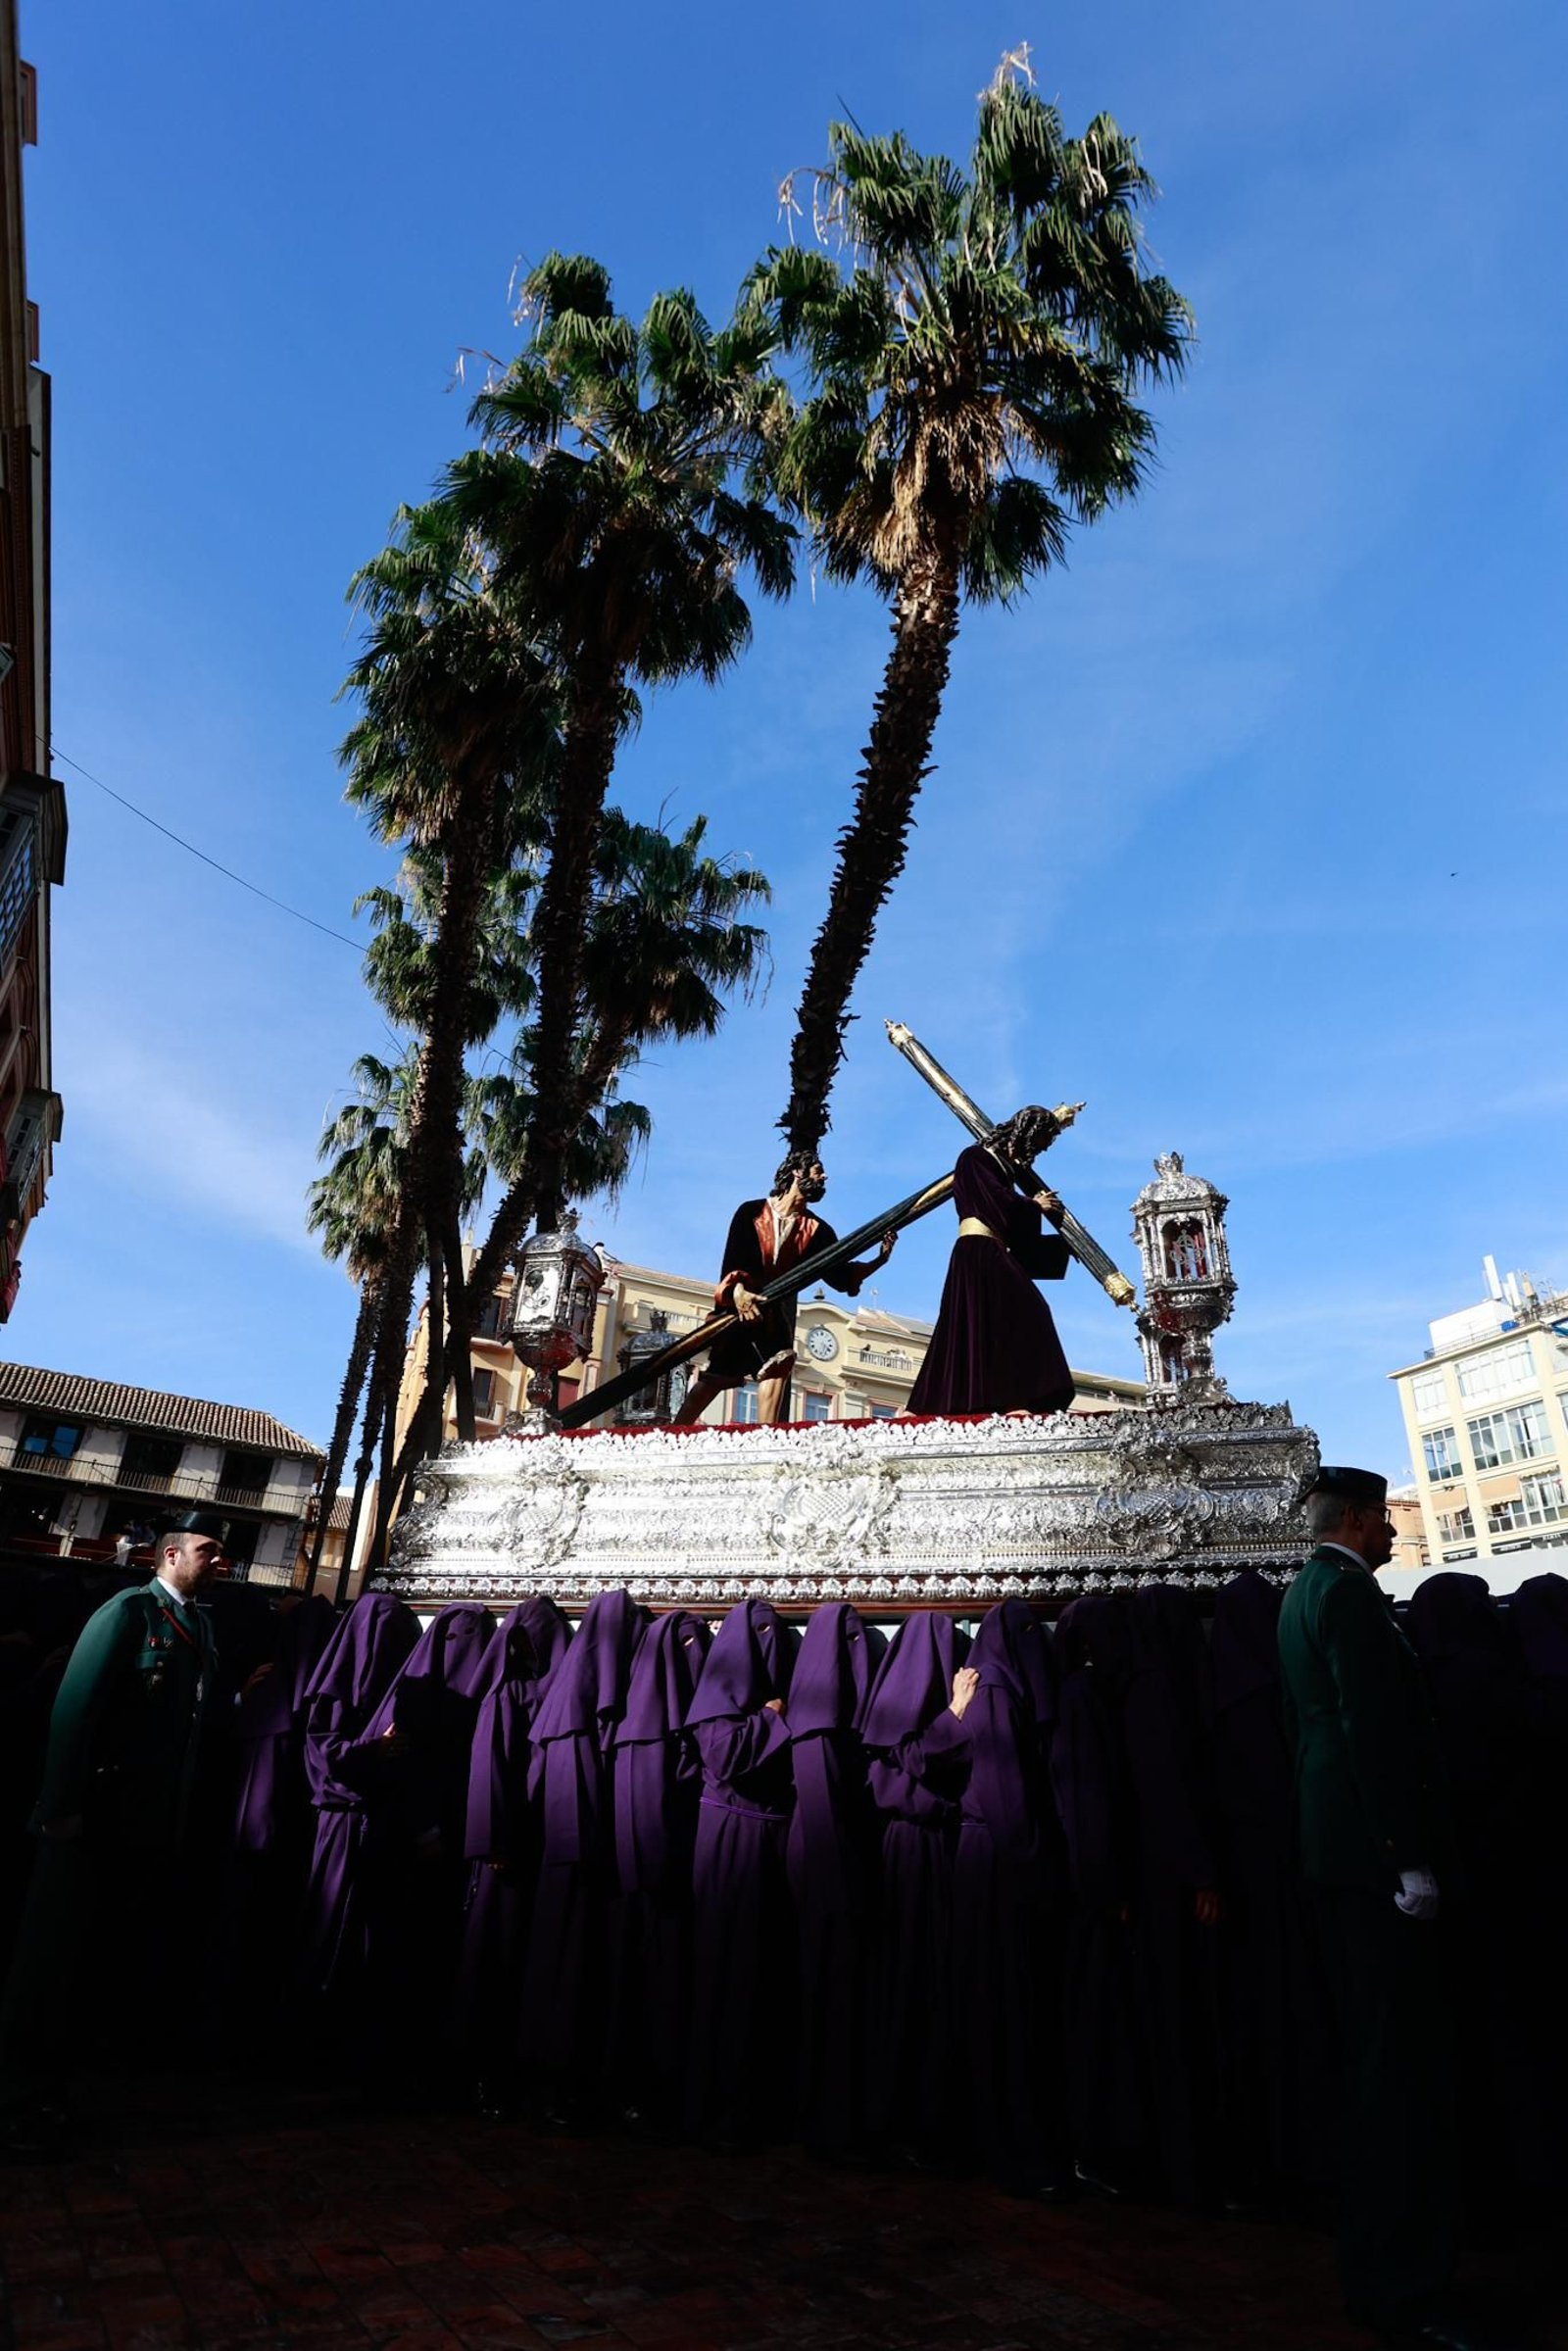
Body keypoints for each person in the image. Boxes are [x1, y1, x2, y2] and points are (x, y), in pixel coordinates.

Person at [1277, 1466, 1477, 2351]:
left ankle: (1374, 2265)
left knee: (1372, 2065)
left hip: (1335, 1849)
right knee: (1397, 2076)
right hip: (1373, 1861)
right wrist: (1407, 1857)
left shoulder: (1299, 1593)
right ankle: (1405, 2284)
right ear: (1356, 1519)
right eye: (1385, 1518)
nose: (1395, 1531)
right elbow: (1375, 1728)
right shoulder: (1349, 1596)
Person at [0, 1509, 228, 2155]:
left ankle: (53, 2089)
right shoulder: (130, 1612)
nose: (219, 1560)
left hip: (142, 1827)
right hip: (88, 1821)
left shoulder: (202, 1626)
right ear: (171, 1554)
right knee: (45, 1962)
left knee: (88, 1964)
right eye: (208, 1549)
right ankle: (14, 2095)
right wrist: (61, 1806)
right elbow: (76, 1708)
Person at [674, 1150, 896, 1427]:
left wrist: (880, 1259)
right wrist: (739, 1293)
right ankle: (674, 1432)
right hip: (739, 1307)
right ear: (797, 1172)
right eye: (817, 1170)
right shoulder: (751, 1212)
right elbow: (733, 1259)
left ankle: (767, 1436)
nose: (824, 1176)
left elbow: (840, 1274)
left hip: (772, 1312)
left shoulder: (817, 1230)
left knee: (779, 1363)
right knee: (716, 1376)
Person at [906, 1106, 1075, 1418]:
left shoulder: (1005, 1169)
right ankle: (1015, 1397)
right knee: (1027, 1310)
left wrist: (1059, 1246)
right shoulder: (974, 1157)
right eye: (1043, 1140)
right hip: (977, 1247)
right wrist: (1033, 1204)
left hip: (993, 1248)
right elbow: (991, 1201)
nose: (1043, 1148)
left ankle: (1008, 1398)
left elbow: (1017, 1229)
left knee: (990, 1321)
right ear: (1027, 1133)